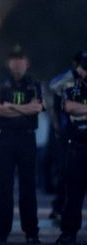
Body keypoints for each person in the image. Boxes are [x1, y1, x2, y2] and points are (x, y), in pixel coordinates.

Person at [0, 47, 43, 244]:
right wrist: (24, 110)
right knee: (5, 187)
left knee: (28, 186)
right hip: (6, 138)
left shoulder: (34, 84)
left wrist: (11, 108)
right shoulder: (1, 84)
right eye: (14, 60)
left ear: (26, 62)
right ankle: (1, 230)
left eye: (21, 59)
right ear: (9, 63)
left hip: (27, 138)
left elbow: (37, 107)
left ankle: (31, 231)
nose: (17, 63)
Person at [47, 50, 87, 224]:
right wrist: (75, 73)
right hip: (73, 139)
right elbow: (65, 104)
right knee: (70, 181)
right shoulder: (71, 84)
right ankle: (66, 225)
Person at [56, 55, 87, 244]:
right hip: (78, 146)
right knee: (73, 192)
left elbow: (76, 109)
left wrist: (81, 108)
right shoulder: (71, 87)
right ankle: (69, 231)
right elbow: (68, 107)